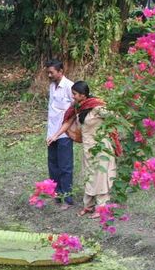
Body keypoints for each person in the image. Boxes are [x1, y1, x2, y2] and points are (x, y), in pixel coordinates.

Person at [46, 81, 117, 216]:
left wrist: (106, 132)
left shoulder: (97, 107)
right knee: (89, 175)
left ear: (83, 95)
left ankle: (101, 208)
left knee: (100, 176)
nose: (72, 97)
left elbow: (115, 118)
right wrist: (55, 136)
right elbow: (68, 122)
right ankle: (88, 205)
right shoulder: (79, 107)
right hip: (88, 147)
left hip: (101, 147)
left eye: (75, 94)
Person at [45, 59, 75, 208]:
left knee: (65, 166)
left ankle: (68, 198)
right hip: (51, 133)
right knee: (53, 165)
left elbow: (75, 109)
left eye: (52, 72)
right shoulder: (51, 86)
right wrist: (50, 134)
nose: (49, 75)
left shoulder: (70, 87)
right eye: (48, 72)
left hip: (64, 134)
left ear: (61, 72)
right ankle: (57, 194)